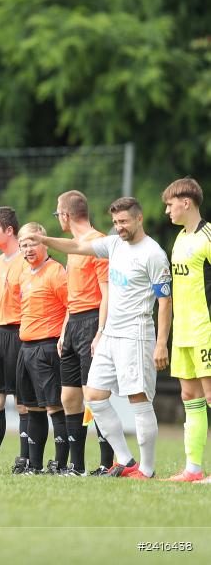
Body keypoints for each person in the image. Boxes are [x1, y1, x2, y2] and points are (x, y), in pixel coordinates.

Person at [21, 197, 172, 479]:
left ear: (139, 218)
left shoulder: (153, 253)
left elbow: (165, 302)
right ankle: (126, 460)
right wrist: (43, 239)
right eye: (115, 222)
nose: (119, 226)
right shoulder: (113, 244)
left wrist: (161, 342)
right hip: (110, 333)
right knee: (94, 395)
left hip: (136, 334)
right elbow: (76, 246)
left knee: (138, 398)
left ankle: (147, 469)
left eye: (124, 221)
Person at [53, 191, 112, 476]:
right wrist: (65, 329)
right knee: (69, 396)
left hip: (91, 321)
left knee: (94, 395)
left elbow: (106, 292)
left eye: (58, 214)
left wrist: (100, 331)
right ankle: (76, 466)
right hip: (73, 323)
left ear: (66, 215)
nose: (58, 218)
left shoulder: (98, 243)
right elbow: (72, 295)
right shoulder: (73, 247)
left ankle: (107, 463)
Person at [161, 178, 211, 483]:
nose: (167, 210)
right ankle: (193, 469)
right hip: (183, 331)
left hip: (206, 329)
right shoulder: (180, 239)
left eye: (170, 204)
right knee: (190, 395)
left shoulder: (208, 235)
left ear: (186, 202)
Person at [16, 223, 68, 474]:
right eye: (23, 245)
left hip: (47, 347)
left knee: (54, 406)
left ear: (45, 243)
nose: (28, 249)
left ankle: (60, 463)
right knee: (32, 407)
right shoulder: (24, 274)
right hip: (26, 348)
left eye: (33, 243)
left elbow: (71, 306)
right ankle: (34, 465)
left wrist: (64, 335)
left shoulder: (56, 271)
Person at [0, 207, 28, 475]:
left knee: (23, 402)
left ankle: (25, 461)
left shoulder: (26, 261)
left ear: (9, 230)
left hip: (20, 334)